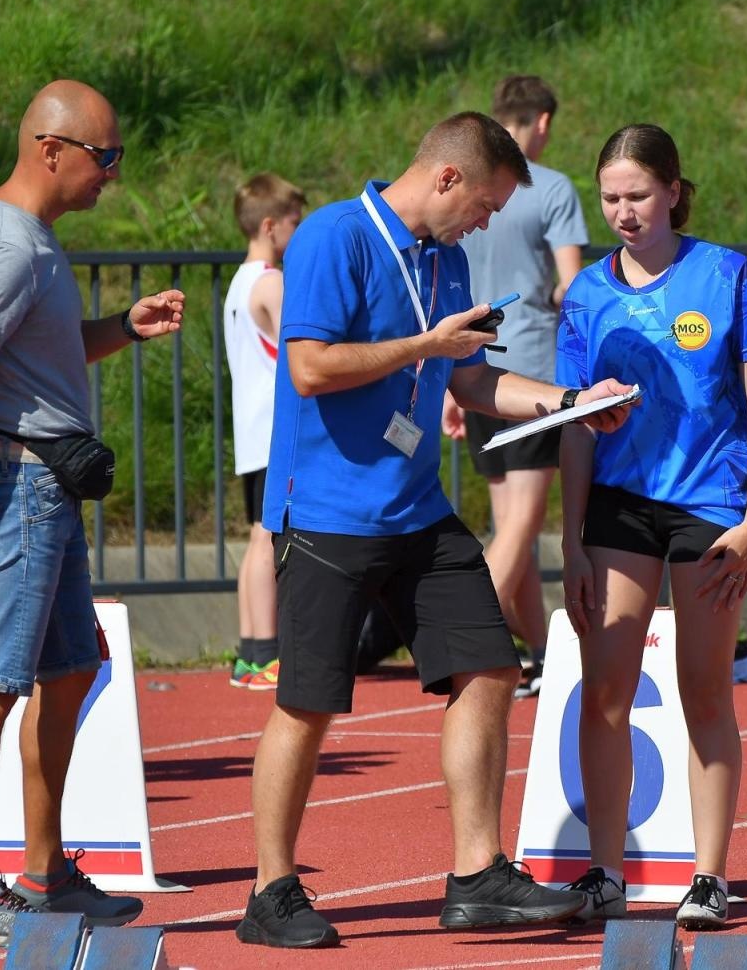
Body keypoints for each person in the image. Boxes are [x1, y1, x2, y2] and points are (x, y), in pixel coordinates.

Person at [237, 111, 635, 950]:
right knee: (309, 704)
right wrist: (425, 343)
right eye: (486, 204)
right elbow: (309, 368)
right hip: (326, 514)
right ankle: (271, 890)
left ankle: (477, 874)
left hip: (416, 507)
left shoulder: (446, 259)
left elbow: (470, 378)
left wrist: (570, 405)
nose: (487, 222)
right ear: (448, 179)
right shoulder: (333, 237)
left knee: (489, 668)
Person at [0, 79, 184, 949]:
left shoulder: (36, 240)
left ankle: (46, 872)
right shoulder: (6, 246)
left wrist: (121, 328)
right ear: (49, 150)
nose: (112, 174)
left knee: (65, 674)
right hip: (13, 487)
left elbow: (38, 354)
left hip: (45, 489)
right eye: (104, 157)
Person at [556, 123, 747, 931]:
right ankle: (606, 871)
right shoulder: (585, 293)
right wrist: (572, 533)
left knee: (704, 688)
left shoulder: (727, 275)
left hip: (711, 505)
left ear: (675, 191)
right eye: (610, 197)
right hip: (620, 505)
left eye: (639, 195)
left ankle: (710, 875)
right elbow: (575, 421)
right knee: (605, 688)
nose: (623, 211)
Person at [443, 75, 589, 697]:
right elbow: (570, 285)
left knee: (511, 529)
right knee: (522, 527)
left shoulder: (472, 193)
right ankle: (457, 643)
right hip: (529, 370)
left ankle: (535, 653)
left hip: (473, 364)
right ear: (544, 122)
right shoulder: (550, 188)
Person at [224, 172, 305, 691]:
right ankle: (263, 652)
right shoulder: (270, 281)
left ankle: (253, 651)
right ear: (271, 226)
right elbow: (299, 344)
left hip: (253, 427)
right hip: (274, 426)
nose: (300, 233)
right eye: (296, 224)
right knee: (266, 536)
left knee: (259, 536)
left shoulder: (239, 280)